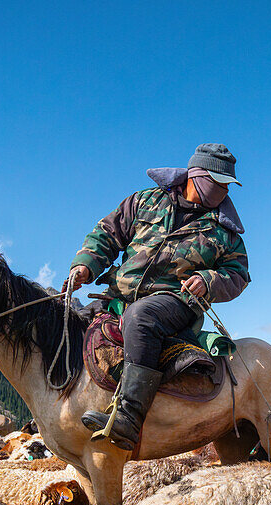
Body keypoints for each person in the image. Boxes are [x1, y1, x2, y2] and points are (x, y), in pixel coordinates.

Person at [63, 143, 250, 451]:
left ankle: (129, 417)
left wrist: (208, 279)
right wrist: (85, 264)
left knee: (141, 317)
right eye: (218, 183)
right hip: (117, 295)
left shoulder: (225, 233)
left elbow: (238, 275)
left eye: (227, 186)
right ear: (197, 176)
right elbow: (107, 235)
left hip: (176, 303)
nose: (224, 191)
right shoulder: (144, 202)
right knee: (69, 321)